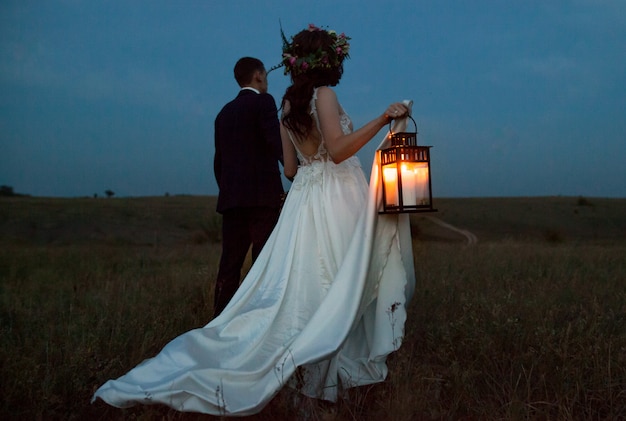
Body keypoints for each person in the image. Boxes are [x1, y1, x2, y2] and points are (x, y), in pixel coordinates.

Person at [92, 24, 415, 416]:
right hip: (335, 197)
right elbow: (339, 149)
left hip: (305, 201)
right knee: (340, 282)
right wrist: (383, 118)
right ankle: (326, 377)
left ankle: (317, 374)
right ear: (329, 61)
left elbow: (292, 170)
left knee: (310, 286)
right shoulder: (325, 94)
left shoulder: (285, 107)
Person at [213, 57, 284, 317]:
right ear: (258, 75)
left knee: (229, 264)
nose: (266, 79)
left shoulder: (224, 113)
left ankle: (219, 319)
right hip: (262, 198)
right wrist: (298, 172)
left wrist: (230, 191)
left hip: (232, 200)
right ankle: (256, 319)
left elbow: (219, 162)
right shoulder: (263, 102)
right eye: (264, 74)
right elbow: (275, 141)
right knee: (262, 261)